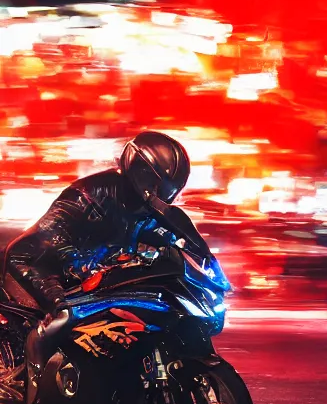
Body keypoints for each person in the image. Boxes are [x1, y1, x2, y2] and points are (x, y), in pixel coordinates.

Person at [3, 132, 191, 316]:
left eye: (167, 190)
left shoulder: (145, 209)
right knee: (65, 314)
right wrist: (84, 265)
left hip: (84, 275)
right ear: (140, 170)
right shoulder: (92, 192)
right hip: (35, 265)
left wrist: (187, 250)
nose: (159, 194)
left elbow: (169, 237)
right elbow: (53, 234)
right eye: (156, 185)